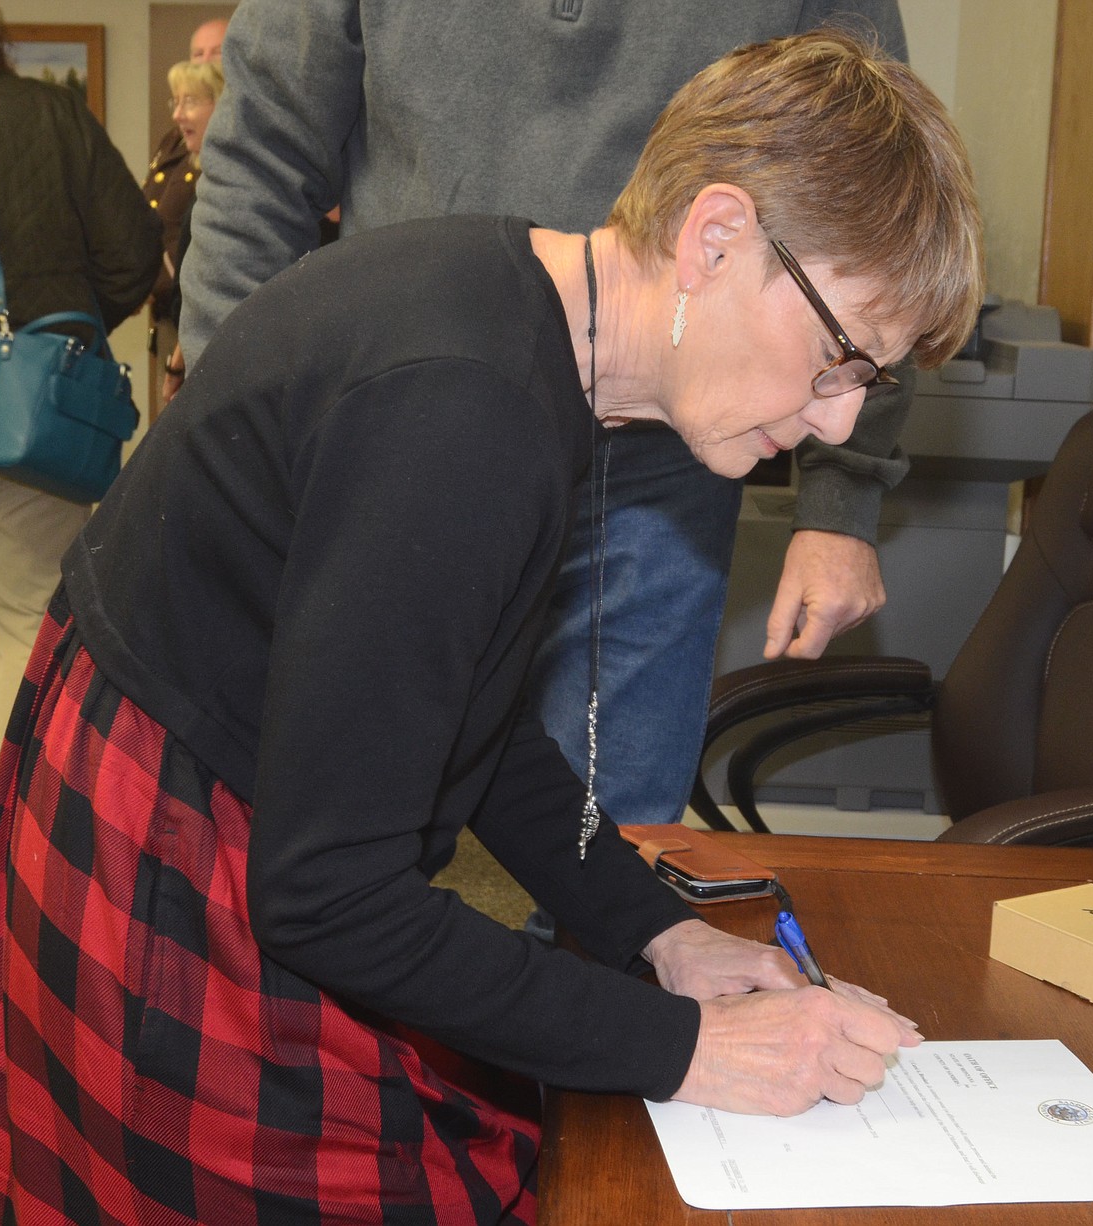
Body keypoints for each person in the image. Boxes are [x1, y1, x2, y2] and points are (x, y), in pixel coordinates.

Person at [0, 31, 983, 1221]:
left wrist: (658, 934)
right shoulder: (468, 415)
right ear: (715, 238)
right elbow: (328, 897)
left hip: (237, 785)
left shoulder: (529, 310)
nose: (835, 424)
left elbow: (476, 717)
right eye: (839, 358)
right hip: (176, 831)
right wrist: (689, 1048)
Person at [180, 0, 915, 828]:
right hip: (406, 434)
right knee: (336, 806)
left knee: (607, 823)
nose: (843, 419)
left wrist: (840, 504)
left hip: (660, 467)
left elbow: (881, 210)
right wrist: (238, 438)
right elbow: (262, 154)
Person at [0, 5, 161, 751]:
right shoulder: (49, 114)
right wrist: (60, 331)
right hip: (32, 417)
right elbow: (133, 251)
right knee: (24, 619)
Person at [142, 18, 227, 411]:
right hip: (170, 317)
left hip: (207, 330)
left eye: (217, 53)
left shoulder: (233, 162)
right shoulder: (177, 141)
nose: (179, 114)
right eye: (198, 53)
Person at [160, 58, 225, 404]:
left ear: (223, 104)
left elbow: (209, 283)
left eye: (191, 101)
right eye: (175, 102)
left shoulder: (228, 185)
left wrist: (177, 364)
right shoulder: (199, 175)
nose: (177, 115)